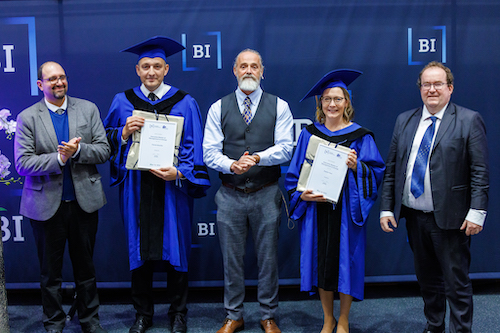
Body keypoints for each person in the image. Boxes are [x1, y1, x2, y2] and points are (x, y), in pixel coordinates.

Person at [103, 36, 210, 333]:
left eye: (157, 66)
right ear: (138, 69)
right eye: (146, 66)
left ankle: (178, 313)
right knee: (139, 252)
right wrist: (123, 132)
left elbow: (193, 147)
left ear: (167, 69)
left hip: (171, 189)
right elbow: (106, 141)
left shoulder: (185, 102)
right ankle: (143, 314)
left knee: (176, 251)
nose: (151, 72)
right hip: (136, 189)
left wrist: (179, 173)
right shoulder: (122, 101)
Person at [380, 61, 489, 333]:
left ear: (450, 88)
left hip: (452, 219)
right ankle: (434, 326)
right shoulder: (404, 120)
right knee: (427, 280)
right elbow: (392, 168)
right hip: (415, 217)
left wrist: (477, 212)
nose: (431, 89)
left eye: (438, 84)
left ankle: (461, 330)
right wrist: (386, 209)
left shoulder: (468, 119)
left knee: (456, 282)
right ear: (420, 89)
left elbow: (479, 171)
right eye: (426, 84)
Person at [284, 69, 385, 333]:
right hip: (317, 209)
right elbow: (294, 175)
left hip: (346, 212)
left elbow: (375, 172)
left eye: (338, 99)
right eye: (327, 99)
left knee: (345, 266)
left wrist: (356, 166)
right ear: (320, 103)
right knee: (323, 265)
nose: (332, 104)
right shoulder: (309, 134)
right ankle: (328, 318)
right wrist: (301, 194)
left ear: (347, 103)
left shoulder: (360, 136)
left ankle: (343, 319)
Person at [14, 61, 110, 333]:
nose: (58, 83)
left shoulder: (88, 109)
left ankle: (90, 321)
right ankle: (54, 324)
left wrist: (77, 153)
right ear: (40, 84)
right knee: (50, 274)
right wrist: (59, 158)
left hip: (84, 203)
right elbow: (22, 164)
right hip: (45, 207)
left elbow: (104, 150)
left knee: (86, 270)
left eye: (62, 78)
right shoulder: (28, 117)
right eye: (52, 79)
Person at [203, 49, 293, 333]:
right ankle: (234, 315)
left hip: (266, 193)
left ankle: (268, 315)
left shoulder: (280, 106)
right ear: (235, 71)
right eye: (243, 66)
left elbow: (286, 148)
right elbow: (209, 152)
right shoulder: (219, 107)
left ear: (262, 71)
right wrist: (232, 165)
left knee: (268, 260)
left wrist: (256, 158)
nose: (249, 71)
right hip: (229, 193)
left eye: (255, 66)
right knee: (231, 260)